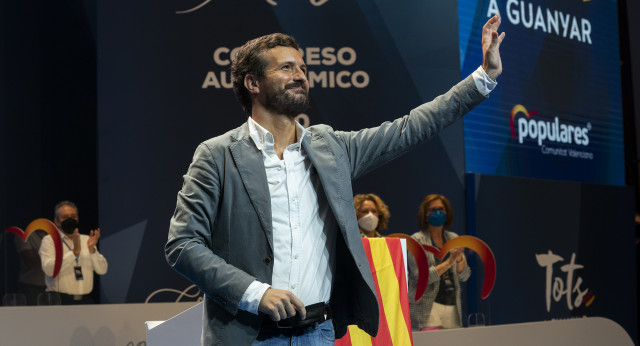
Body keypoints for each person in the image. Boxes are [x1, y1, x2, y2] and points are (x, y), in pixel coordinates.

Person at [165, 14, 504, 345]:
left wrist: (484, 77)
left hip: (319, 334)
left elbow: (410, 127)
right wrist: (256, 293)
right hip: (248, 336)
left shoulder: (332, 148)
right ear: (252, 84)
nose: (300, 75)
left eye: (302, 68)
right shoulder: (217, 155)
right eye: (286, 68)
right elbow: (182, 245)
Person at [408, 194, 470, 330]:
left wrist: (459, 259)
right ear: (425, 214)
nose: (438, 212)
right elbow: (421, 277)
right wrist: (449, 262)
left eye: (441, 209)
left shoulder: (453, 238)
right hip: (428, 306)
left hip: (452, 304)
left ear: (447, 212)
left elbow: (464, 276)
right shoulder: (416, 241)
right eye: (433, 209)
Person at [39, 201, 108, 304]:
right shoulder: (49, 240)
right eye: (65, 217)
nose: (70, 219)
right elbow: (49, 270)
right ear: (57, 221)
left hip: (86, 301)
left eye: (73, 216)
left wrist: (92, 251)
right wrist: (74, 252)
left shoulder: (86, 240)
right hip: (59, 301)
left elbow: (102, 270)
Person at [13, 228, 47, 305]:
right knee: (32, 315)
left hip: (50, 287)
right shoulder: (23, 234)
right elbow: (30, 261)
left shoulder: (50, 234)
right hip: (31, 286)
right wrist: (49, 251)